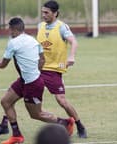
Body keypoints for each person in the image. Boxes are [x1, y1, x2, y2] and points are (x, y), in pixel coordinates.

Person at [0, 17, 74, 144]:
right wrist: (36, 71)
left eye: (9, 29)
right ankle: (17, 135)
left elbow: (3, 64)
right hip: (25, 80)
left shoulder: (13, 43)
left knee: (36, 114)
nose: (8, 31)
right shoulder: (33, 40)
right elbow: (43, 59)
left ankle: (65, 122)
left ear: (13, 30)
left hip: (32, 84)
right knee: (5, 102)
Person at [36, 0, 87, 138]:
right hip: (38, 69)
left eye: (46, 13)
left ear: (55, 13)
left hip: (53, 70)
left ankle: (79, 125)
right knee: (19, 92)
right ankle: (7, 123)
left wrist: (71, 56)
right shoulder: (40, 26)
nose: (43, 15)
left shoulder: (61, 27)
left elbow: (74, 41)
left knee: (61, 100)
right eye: (42, 12)